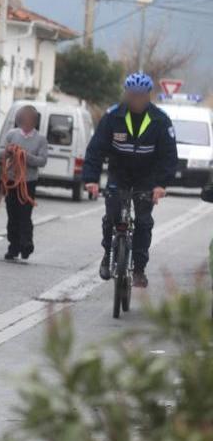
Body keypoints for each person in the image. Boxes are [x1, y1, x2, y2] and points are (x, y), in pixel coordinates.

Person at [82, 72, 178, 288]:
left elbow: (169, 155)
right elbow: (96, 149)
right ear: (127, 94)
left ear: (147, 96)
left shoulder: (160, 120)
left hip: (147, 177)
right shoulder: (112, 116)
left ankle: (140, 270)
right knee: (112, 215)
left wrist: (161, 184)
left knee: (143, 222)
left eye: (140, 95)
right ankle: (108, 254)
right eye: (132, 94)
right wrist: (91, 178)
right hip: (119, 173)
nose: (136, 99)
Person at [3, 105, 48, 260]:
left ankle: (26, 244)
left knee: (25, 214)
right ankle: (13, 247)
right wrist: (9, 151)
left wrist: (24, 156)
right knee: (12, 214)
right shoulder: (11, 135)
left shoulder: (41, 139)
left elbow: (42, 161)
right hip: (11, 181)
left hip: (28, 182)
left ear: (34, 121)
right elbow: (0, 154)